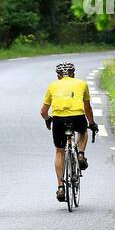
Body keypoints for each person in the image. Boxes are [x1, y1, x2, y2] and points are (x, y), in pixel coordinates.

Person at [40, 61, 98, 202]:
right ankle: (81, 154)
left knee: (60, 151)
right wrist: (91, 123)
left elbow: (43, 111)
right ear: (73, 73)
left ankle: (60, 187)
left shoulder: (52, 86)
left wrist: (48, 119)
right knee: (83, 133)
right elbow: (88, 108)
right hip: (78, 117)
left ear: (58, 75)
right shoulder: (82, 84)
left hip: (59, 120)